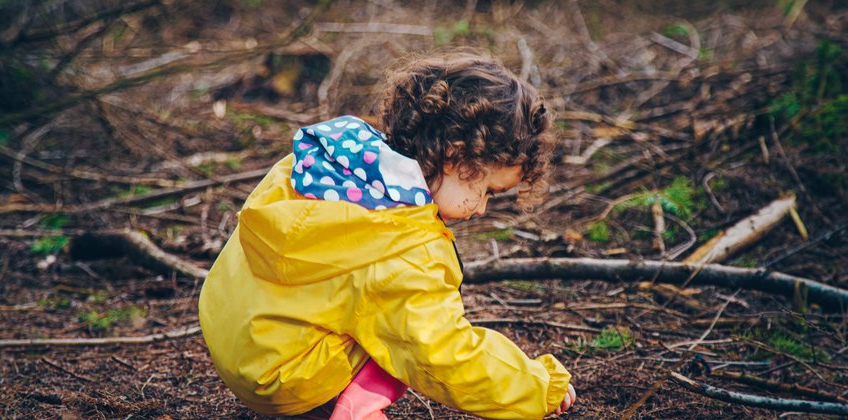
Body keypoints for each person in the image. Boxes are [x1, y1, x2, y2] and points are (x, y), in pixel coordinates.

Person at [198, 51, 576, 419]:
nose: (481, 209)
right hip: (290, 384)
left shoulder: (327, 157)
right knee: (405, 334)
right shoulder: (405, 248)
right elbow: (446, 355)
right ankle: (349, 410)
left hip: (235, 340)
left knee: (376, 308)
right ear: (456, 156)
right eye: (488, 191)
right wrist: (540, 386)